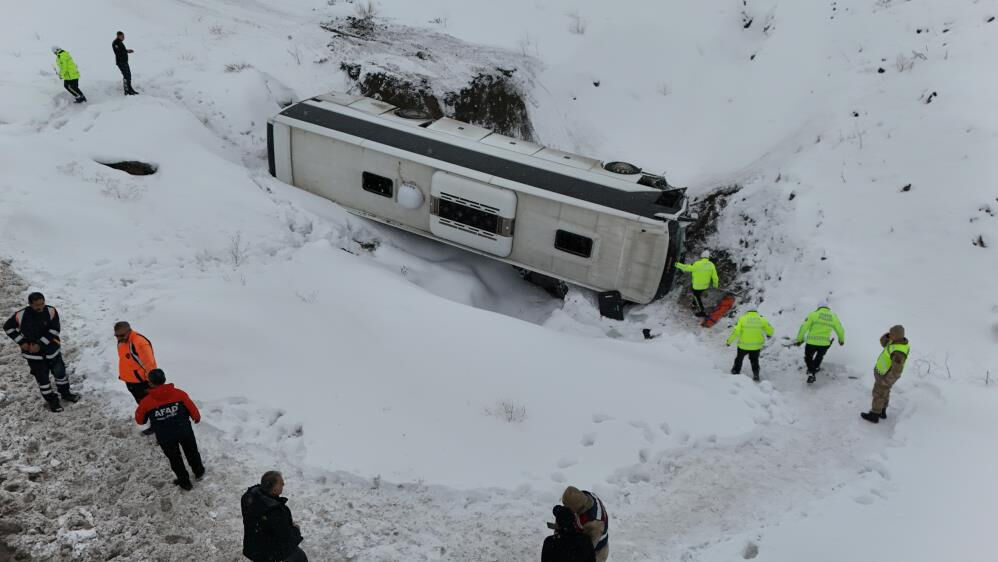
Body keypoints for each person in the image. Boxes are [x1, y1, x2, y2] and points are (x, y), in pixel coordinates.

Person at [3, 292, 79, 412]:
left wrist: (40, 343)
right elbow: (8, 327)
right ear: (30, 304)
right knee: (43, 380)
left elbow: (55, 329)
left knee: (60, 374)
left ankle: (66, 394)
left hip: (52, 351)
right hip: (34, 357)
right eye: (37, 305)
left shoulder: (51, 311)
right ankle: (52, 401)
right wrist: (22, 342)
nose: (40, 307)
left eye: (42, 304)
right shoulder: (20, 315)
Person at [135, 369, 205, 490]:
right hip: (184, 431)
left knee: (175, 459)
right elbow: (194, 411)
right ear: (164, 379)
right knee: (192, 452)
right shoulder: (179, 394)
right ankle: (199, 472)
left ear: (150, 383)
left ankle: (185, 482)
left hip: (165, 436)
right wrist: (195, 418)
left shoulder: (146, 402)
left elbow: (140, 420)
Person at [242, 471, 308, 562]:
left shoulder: (248, 498)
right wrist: (296, 529)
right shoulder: (275, 512)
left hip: (252, 547)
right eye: (281, 483)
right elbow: (287, 538)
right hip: (268, 554)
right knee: (300, 557)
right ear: (274, 490)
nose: (283, 484)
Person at [861, 325, 910, 424]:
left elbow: (897, 371)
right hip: (882, 373)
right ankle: (882, 411)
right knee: (884, 393)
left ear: (896, 335)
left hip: (885, 377)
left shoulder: (899, 352)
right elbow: (883, 342)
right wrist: (888, 335)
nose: (889, 335)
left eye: (891, 333)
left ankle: (874, 415)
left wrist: (886, 381)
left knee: (878, 394)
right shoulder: (894, 342)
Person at [115, 321, 158, 434]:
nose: (119, 338)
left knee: (152, 406)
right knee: (144, 405)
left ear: (129, 331)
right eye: (116, 335)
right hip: (131, 381)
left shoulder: (140, 343)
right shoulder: (121, 342)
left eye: (121, 335)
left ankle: (159, 427)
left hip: (143, 383)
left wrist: (151, 382)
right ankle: (155, 423)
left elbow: (150, 364)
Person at [795, 300, 845, 384]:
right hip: (824, 344)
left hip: (811, 342)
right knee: (819, 356)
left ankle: (811, 372)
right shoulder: (833, 316)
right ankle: (815, 368)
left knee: (808, 357)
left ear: (818, 307)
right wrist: (841, 340)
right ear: (827, 308)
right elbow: (840, 329)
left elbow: (804, 327)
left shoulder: (813, 314)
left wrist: (799, 339)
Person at [561, 486, 609, 562]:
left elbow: (586, 551)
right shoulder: (585, 496)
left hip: (597, 553)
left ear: (577, 508)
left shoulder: (595, 524)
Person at [726, 308, 774, 382]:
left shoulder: (742, 319)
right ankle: (756, 375)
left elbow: (736, 332)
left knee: (739, 359)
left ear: (747, 312)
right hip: (756, 346)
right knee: (754, 360)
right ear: (756, 312)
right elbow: (770, 330)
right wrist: (769, 334)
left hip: (743, 345)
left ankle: (735, 372)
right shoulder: (761, 319)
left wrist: (729, 341)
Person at [674, 250, 719, 316]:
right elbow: (715, 277)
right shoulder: (711, 265)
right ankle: (694, 305)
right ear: (708, 257)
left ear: (702, 256)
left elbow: (687, 268)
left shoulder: (697, 264)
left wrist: (677, 264)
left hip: (697, 286)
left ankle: (702, 311)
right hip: (705, 286)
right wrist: (715, 285)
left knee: (696, 296)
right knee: (698, 295)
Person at [112, 31, 138, 95]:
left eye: (124, 36)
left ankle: (130, 89)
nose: (124, 37)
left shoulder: (120, 42)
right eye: (122, 36)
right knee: (126, 76)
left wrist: (127, 51)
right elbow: (118, 53)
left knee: (128, 75)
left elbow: (122, 51)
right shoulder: (115, 43)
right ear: (118, 36)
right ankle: (127, 91)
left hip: (124, 61)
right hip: (121, 62)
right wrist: (126, 51)